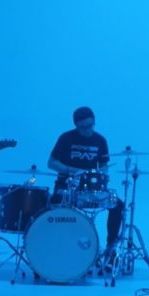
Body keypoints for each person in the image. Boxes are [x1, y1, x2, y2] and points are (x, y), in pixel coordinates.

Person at [48, 106, 125, 250]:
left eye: (91, 125)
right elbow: (51, 163)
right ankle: (56, 247)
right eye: (83, 127)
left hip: (90, 189)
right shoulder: (66, 138)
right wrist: (73, 171)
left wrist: (102, 176)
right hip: (66, 187)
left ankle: (110, 248)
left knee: (118, 205)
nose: (88, 130)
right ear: (76, 125)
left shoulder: (100, 140)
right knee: (54, 205)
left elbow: (104, 165)